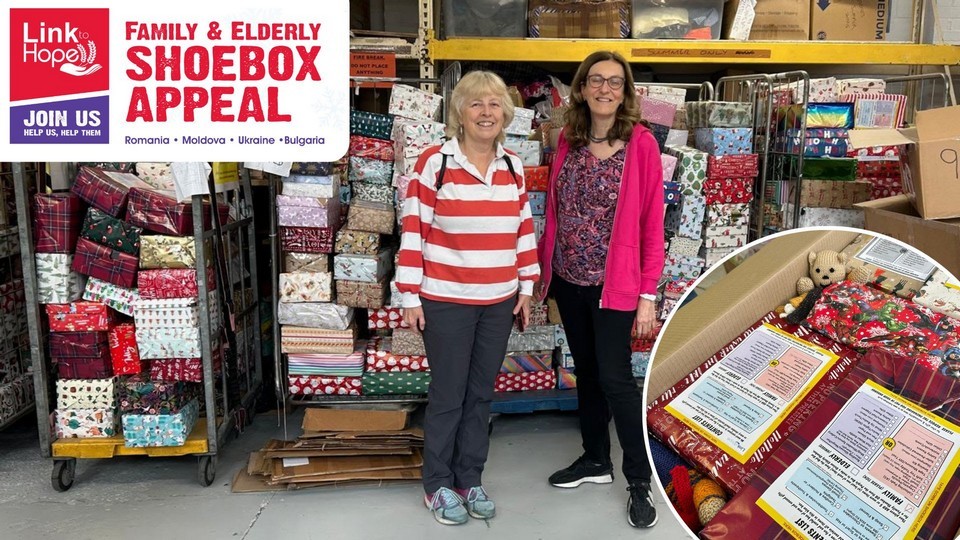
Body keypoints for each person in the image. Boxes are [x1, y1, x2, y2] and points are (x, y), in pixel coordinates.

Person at [396, 70, 540, 526]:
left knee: (480, 394)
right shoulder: (434, 163)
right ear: (459, 112)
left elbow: (523, 228)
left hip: (498, 301)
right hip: (447, 299)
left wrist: (526, 288)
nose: (486, 113)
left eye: (494, 104)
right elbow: (414, 230)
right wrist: (410, 297)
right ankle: (437, 484)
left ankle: (469, 478)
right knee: (448, 394)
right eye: (476, 104)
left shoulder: (513, 166)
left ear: (506, 113)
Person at [537, 50, 665, 529]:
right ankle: (596, 459)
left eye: (615, 81)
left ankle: (638, 480)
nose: (605, 89)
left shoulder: (642, 145)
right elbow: (556, 213)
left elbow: (654, 226)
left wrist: (648, 293)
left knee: (615, 379)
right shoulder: (567, 141)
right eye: (596, 80)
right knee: (586, 371)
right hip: (569, 282)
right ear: (583, 88)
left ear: (625, 91)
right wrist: (542, 277)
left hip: (617, 288)